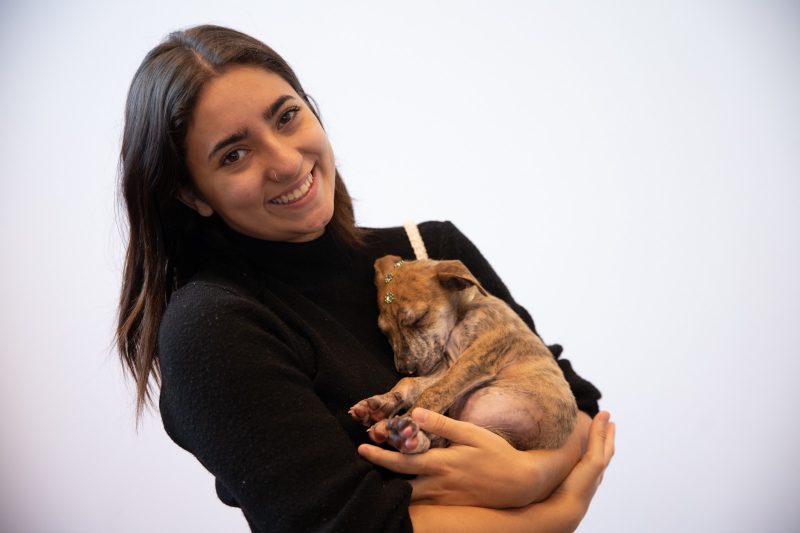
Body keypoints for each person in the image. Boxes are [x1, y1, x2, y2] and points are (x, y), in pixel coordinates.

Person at [116, 24, 615, 533]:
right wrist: (554, 512)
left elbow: (577, 406)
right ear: (191, 194)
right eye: (234, 154)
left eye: (287, 117)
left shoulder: (431, 254)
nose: (287, 162)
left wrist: (530, 476)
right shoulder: (214, 328)